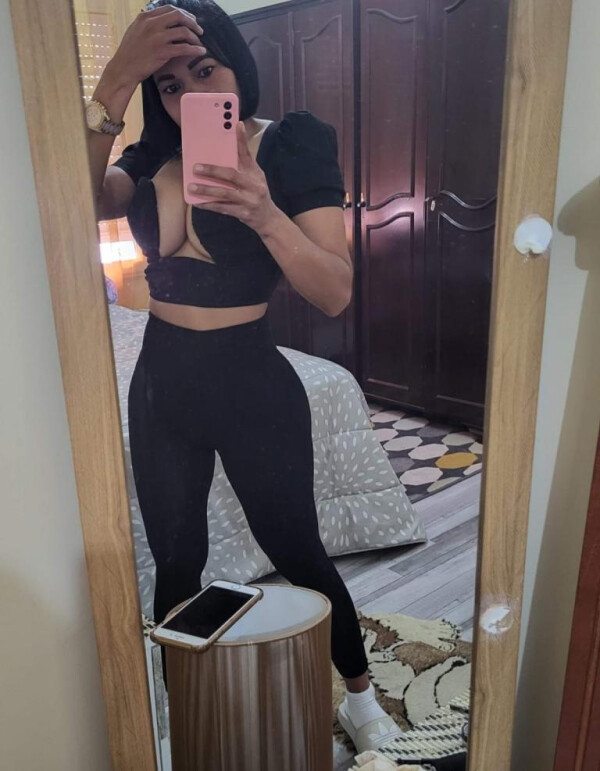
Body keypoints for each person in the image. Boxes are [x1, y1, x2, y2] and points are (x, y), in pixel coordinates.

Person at [88, 0, 402, 752]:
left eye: (205, 71)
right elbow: (73, 201)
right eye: (169, 85)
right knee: (176, 560)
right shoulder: (146, 158)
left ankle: (360, 697)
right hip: (163, 381)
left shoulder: (291, 143)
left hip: (252, 380)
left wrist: (263, 211)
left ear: (236, 64)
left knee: (296, 548)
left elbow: (334, 290)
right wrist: (115, 80)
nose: (189, 94)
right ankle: (188, 718)